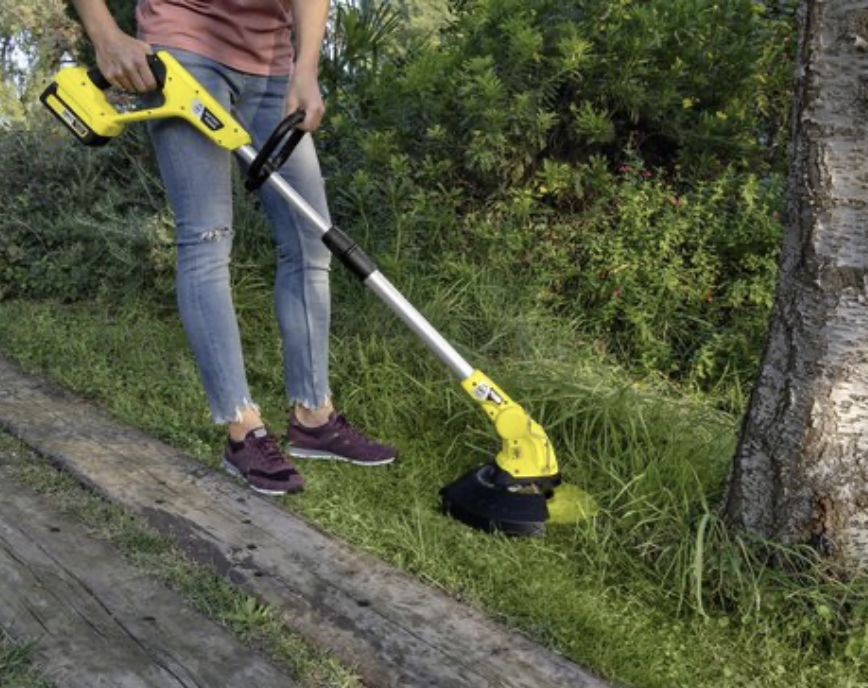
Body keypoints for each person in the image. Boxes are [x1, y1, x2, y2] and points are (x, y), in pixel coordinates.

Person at [70, 0, 397, 496]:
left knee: (311, 237)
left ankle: (314, 416)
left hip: (272, 65)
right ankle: (241, 428)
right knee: (206, 238)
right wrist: (104, 33)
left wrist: (305, 69)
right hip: (185, 52)